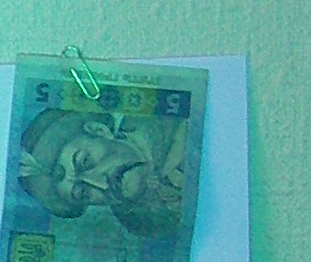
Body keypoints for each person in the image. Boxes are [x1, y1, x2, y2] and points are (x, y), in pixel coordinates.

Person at [16, 103, 191, 240]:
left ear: (99, 130)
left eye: (85, 162)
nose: (101, 184)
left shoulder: (167, 117)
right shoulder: (147, 222)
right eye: (82, 192)